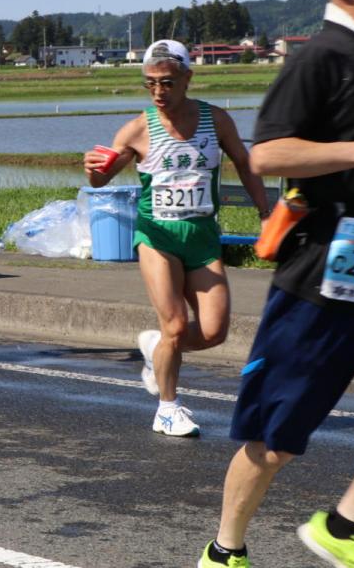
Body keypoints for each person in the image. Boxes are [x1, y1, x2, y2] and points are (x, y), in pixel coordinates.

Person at [198, 0, 354, 568]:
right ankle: (224, 548)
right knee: (277, 438)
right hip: (322, 271)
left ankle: (342, 529)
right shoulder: (320, 57)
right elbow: (267, 153)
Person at [83, 39, 269, 437]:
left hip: (201, 236)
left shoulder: (215, 120)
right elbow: (102, 177)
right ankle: (168, 408)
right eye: (150, 83)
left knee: (215, 330)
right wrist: (92, 170)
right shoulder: (137, 129)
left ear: (187, 77)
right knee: (175, 325)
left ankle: (156, 350)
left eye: (167, 82)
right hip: (157, 235)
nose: (158, 92)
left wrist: (266, 212)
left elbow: (246, 164)